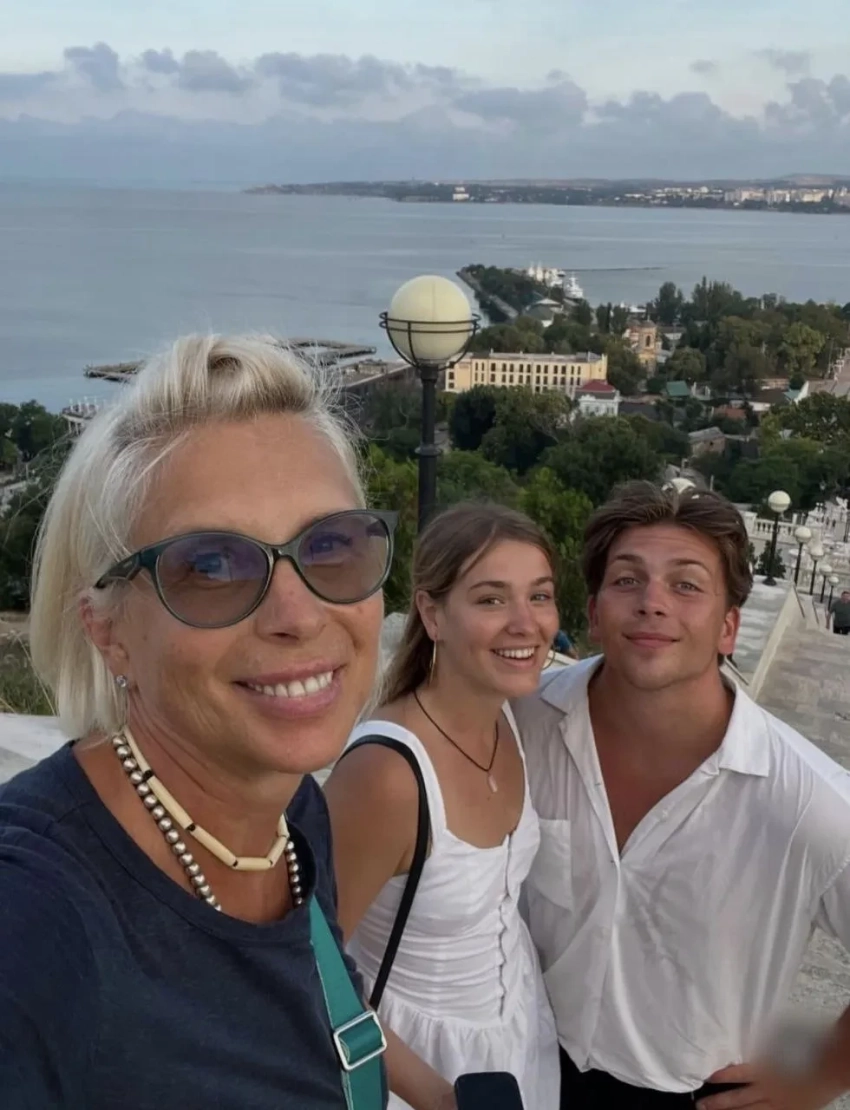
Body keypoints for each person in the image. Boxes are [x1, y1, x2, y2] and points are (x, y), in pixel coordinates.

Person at [0, 334, 451, 1110]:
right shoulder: (39, 922)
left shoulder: (292, 819)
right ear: (108, 630)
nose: (298, 614)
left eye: (330, 544)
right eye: (210, 565)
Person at [513, 481, 850, 1110]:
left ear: (728, 627)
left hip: (690, 1095)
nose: (653, 603)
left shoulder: (807, 801)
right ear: (594, 613)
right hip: (527, 1064)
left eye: (686, 585)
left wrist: (818, 1077)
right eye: (627, 580)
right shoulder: (521, 726)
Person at [325, 503, 562, 1110]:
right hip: (420, 1072)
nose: (526, 623)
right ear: (433, 614)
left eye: (539, 596)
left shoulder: (512, 716)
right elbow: (311, 965)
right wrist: (439, 1098)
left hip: (517, 1047)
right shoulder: (389, 776)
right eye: (491, 599)